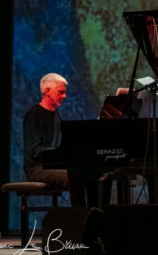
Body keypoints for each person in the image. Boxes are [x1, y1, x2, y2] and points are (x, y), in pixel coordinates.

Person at [23, 73, 110, 207]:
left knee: (94, 173)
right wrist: (60, 155)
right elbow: (34, 150)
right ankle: (80, 215)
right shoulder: (33, 115)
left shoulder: (56, 115)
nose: (64, 96)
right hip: (37, 169)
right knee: (76, 175)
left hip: (53, 165)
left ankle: (96, 212)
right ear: (48, 91)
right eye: (61, 92)